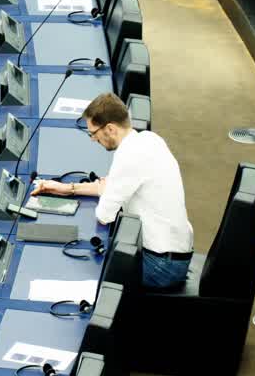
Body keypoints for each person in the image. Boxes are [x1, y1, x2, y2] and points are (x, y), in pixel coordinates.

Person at [31, 92, 194, 290]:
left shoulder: (128, 156)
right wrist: (67, 188)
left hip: (161, 267)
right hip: (175, 254)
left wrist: (102, 189)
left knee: (88, 268)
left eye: (93, 133)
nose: (92, 139)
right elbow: (109, 188)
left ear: (109, 129)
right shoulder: (149, 139)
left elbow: (104, 215)